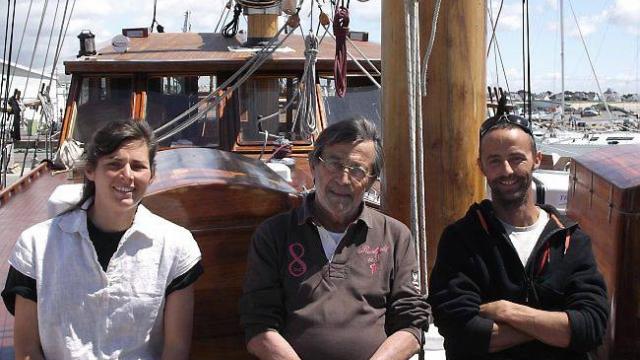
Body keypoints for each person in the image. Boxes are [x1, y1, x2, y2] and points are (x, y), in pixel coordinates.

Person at [1, 119, 203, 359]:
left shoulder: (177, 247)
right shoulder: (35, 246)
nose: (127, 175)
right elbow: (27, 350)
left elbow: (176, 350)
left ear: (151, 175)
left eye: (138, 166)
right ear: (90, 170)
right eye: (114, 164)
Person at [239, 117, 430, 360]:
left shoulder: (395, 236)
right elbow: (259, 327)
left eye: (358, 169)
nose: (343, 179)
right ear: (313, 165)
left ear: (372, 180)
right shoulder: (274, 235)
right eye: (334, 163)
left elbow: (411, 324)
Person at [428, 108, 609, 359]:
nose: (507, 171)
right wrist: (555, 326)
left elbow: (592, 327)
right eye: (494, 161)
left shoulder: (570, 240)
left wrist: (506, 311)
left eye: (516, 158)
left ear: (536, 159)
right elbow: (460, 332)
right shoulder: (461, 240)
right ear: (481, 166)